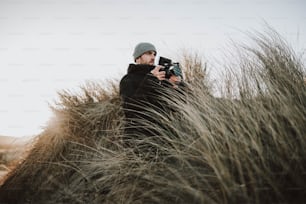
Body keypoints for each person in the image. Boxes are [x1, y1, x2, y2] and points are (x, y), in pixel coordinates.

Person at [119, 42, 185, 143]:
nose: (153, 57)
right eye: (149, 53)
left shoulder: (160, 78)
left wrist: (178, 84)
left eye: (154, 54)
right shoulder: (128, 79)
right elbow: (131, 109)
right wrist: (151, 79)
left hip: (163, 136)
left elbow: (177, 105)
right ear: (137, 58)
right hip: (138, 138)